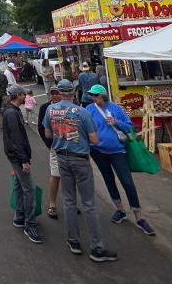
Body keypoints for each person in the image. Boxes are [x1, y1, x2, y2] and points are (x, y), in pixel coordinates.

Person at [42, 80, 117, 262]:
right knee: (89, 203)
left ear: (59, 92)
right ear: (73, 92)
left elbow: (48, 134)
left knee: (68, 200)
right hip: (80, 158)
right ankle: (97, 248)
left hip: (61, 156)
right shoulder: (82, 112)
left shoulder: (50, 110)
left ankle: (73, 241)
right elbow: (95, 140)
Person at [86, 84, 155, 235]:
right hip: (98, 151)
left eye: (95, 95)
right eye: (91, 95)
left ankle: (139, 217)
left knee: (127, 182)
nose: (93, 97)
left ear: (103, 96)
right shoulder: (89, 110)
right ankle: (120, 210)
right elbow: (85, 127)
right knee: (108, 179)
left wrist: (117, 122)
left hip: (118, 151)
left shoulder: (116, 109)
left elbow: (129, 127)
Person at [3, 84, 43, 244]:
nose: (25, 96)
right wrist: (24, 160)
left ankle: (20, 217)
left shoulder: (10, 110)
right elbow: (17, 139)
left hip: (14, 156)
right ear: (18, 95)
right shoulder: (12, 113)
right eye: (23, 94)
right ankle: (30, 224)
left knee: (20, 186)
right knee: (29, 189)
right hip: (18, 156)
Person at [37, 84, 62, 219]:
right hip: (54, 146)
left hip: (69, 147)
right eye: (52, 93)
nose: (54, 95)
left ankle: (71, 202)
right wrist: (49, 144)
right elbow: (41, 128)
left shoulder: (68, 106)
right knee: (55, 175)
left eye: (57, 92)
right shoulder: (44, 107)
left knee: (70, 177)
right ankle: (52, 205)